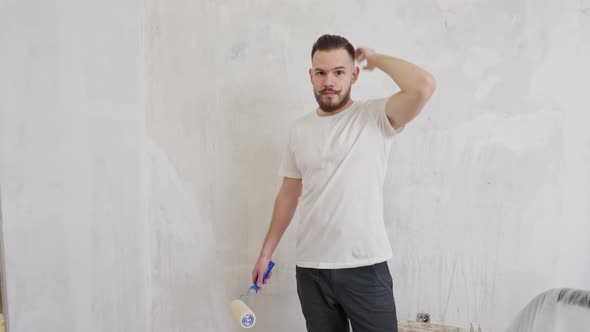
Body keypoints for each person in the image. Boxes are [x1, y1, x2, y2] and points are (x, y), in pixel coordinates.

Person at [251, 34, 436, 332]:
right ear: (311, 75)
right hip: (312, 271)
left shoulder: (376, 116)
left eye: (339, 72)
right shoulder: (299, 129)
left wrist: (374, 58)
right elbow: (288, 193)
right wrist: (265, 254)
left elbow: (423, 85)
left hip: (365, 269)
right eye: (321, 73)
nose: (329, 81)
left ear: (354, 74)